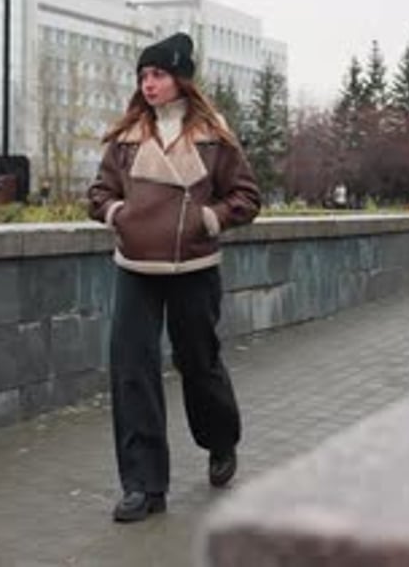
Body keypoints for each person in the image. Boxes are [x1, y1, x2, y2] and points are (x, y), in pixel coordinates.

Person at [87, 32, 261, 523]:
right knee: (132, 370)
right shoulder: (126, 137)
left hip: (194, 267)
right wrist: (119, 214)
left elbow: (247, 197)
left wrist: (208, 219)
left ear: (181, 79)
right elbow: (98, 193)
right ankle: (143, 486)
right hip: (136, 267)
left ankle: (220, 439)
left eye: (158, 74)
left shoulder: (213, 135)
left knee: (198, 361)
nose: (149, 83)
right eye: (143, 75)